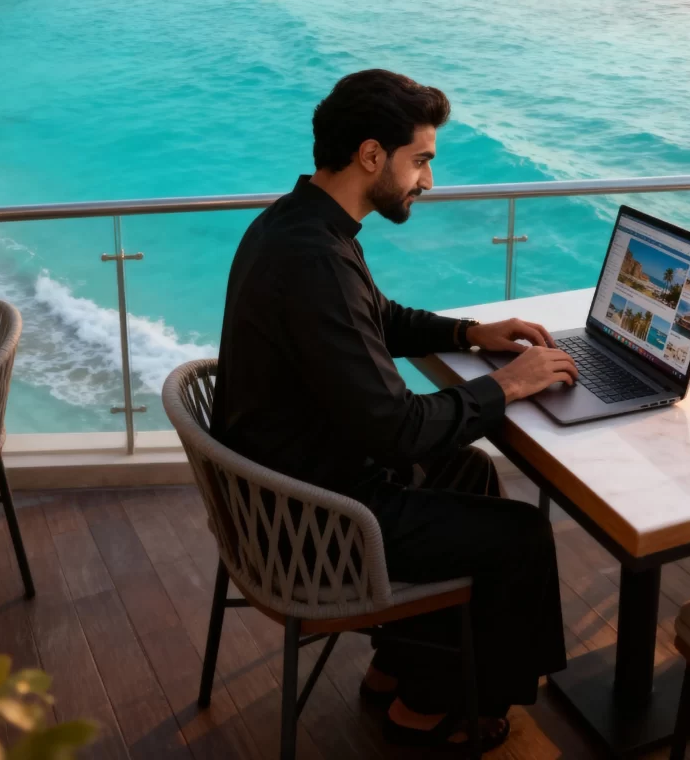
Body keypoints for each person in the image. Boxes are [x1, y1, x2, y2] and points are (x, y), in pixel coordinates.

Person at [213, 69, 577, 752]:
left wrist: (471, 333)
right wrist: (511, 385)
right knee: (520, 535)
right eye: (421, 161)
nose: (428, 182)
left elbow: (377, 318)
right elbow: (399, 428)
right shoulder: (315, 259)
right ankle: (434, 708)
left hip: (283, 479)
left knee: (466, 469)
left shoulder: (298, 225)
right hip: (316, 518)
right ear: (372, 156)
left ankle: (406, 667)